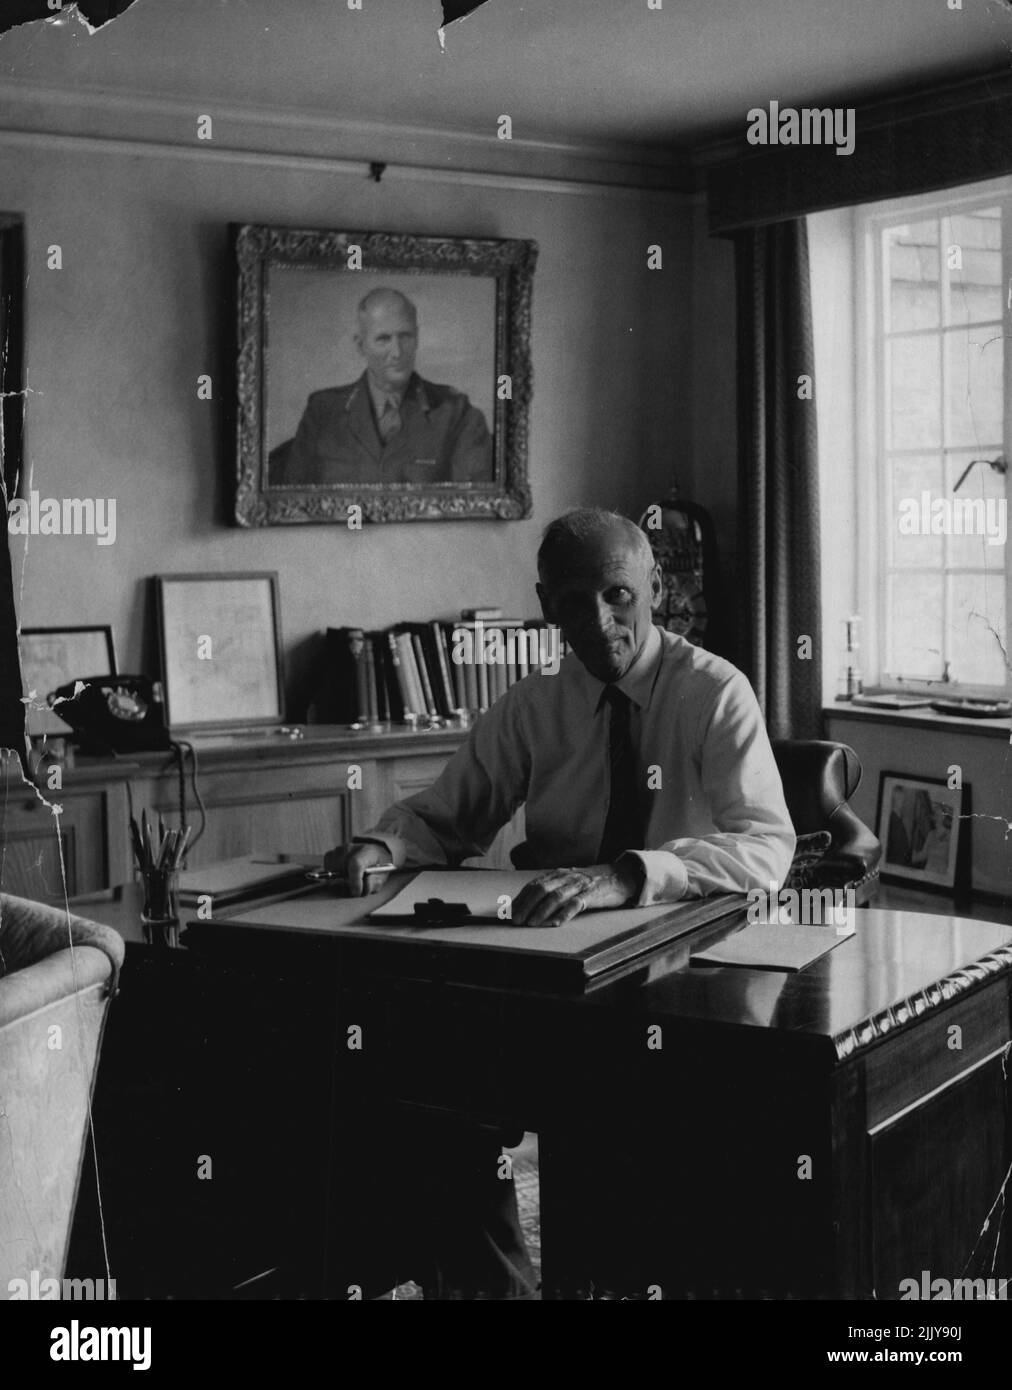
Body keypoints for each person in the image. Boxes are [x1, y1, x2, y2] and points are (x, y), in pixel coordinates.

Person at [324, 507, 796, 1298]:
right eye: (573, 602)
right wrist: (383, 845)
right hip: (542, 966)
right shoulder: (533, 705)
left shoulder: (715, 693)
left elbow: (765, 851)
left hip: (675, 970)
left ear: (654, 588)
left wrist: (632, 873)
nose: (599, 621)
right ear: (546, 604)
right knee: (422, 1102)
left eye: (618, 594)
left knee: (628, 1149)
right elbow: (446, 816)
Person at [269, 287, 492, 486]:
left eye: (405, 336)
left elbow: (473, 508)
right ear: (360, 345)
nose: (397, 352)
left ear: (417, 338)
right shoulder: (323, 412)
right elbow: (292, 501)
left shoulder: (456, 413)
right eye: (383, 339)